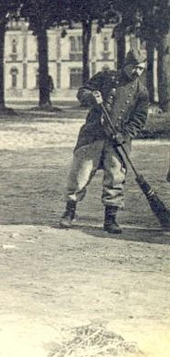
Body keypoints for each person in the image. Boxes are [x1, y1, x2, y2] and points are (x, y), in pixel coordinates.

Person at [58, 52, 149, 234]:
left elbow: (139, 119)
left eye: (141, 68)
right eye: (134, 67)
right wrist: (91, 97)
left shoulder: (141, 92)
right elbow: (82, 91)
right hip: (93, 135)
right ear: (125, 65)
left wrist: (124, 135)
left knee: (115, 178)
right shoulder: (105, 77)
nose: (137, 72)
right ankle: (69, 213)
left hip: (118, 141)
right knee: (79, 175)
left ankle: (110, 219)